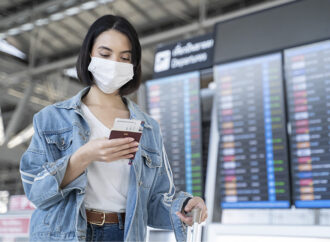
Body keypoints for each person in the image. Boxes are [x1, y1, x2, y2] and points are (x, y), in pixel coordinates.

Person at [19, 15, 207, 242]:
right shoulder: (51, 119)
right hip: (64, 234)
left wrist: (185, 206)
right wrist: (83, 156)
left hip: (122, 234)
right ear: (89, 54)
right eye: (105, 54)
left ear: (133, 64)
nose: (114, 64)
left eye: (124, 58)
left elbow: (155, 200)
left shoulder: (148, 128)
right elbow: (36, 192)